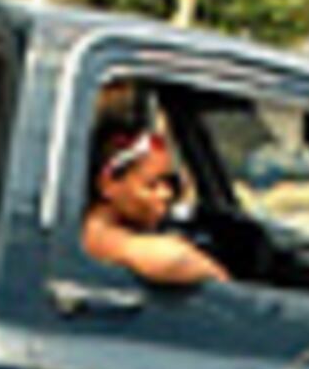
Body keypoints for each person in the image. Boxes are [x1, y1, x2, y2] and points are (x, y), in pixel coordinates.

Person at [82, 115, 228, 286]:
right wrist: (217, 275)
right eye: (151, 185)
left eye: (168, 182)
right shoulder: (94, 233)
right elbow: (174, 259)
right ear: (108, 184)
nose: (165, 194)